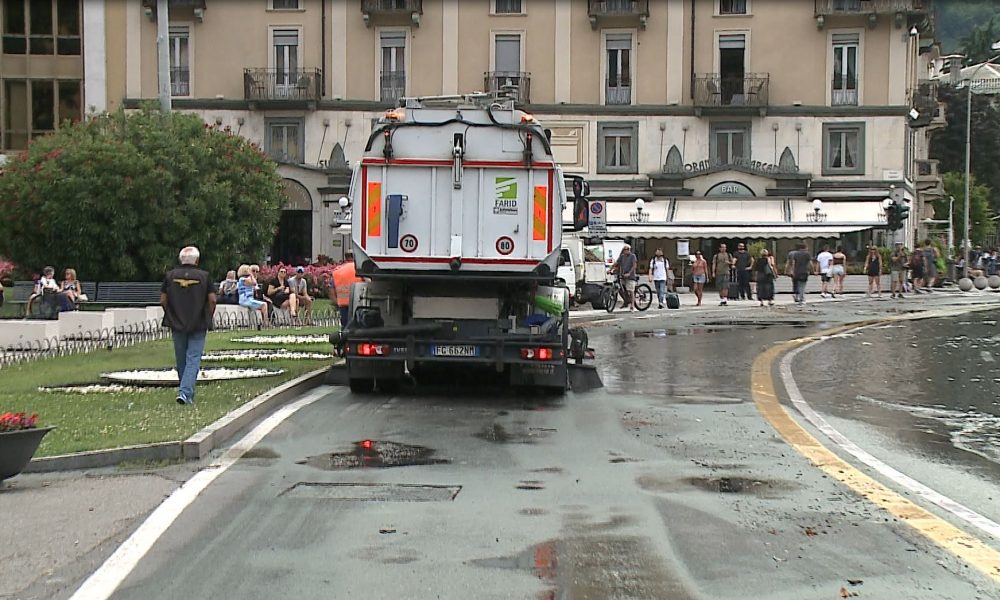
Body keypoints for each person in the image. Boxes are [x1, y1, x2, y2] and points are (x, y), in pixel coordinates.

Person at [161, 246, 216, 406]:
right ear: (197, 260)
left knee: (181, 358)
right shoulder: (204, 276)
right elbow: (212, 299)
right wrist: (208, 316)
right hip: (198, 322)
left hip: (177, 321)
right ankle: (185, 393)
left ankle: (185, 392)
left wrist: (170, 314)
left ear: (180, 260)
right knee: (193, 357)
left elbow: (163, 300)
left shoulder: (170, 276)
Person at [333, 255, 363, 329]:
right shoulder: (359, 269)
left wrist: (335, 301)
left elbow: (330, 287)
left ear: (345, 258)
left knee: (345, 326)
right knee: (358, 325)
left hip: (343, 303)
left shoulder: (337, 270)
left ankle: (345, 338)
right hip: (358, 302)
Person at [611, 244, 638, 311]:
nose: (625, 251)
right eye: (624, 250)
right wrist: (610, 269)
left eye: (627, 250)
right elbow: (616, 263)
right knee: (621, 289)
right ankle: (626, 301)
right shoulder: (622, 256)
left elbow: (634, 266)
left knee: (631, 290)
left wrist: (629, 273)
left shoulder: (632, 256)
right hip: (623, 275)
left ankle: (632, 305)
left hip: (630, 276)